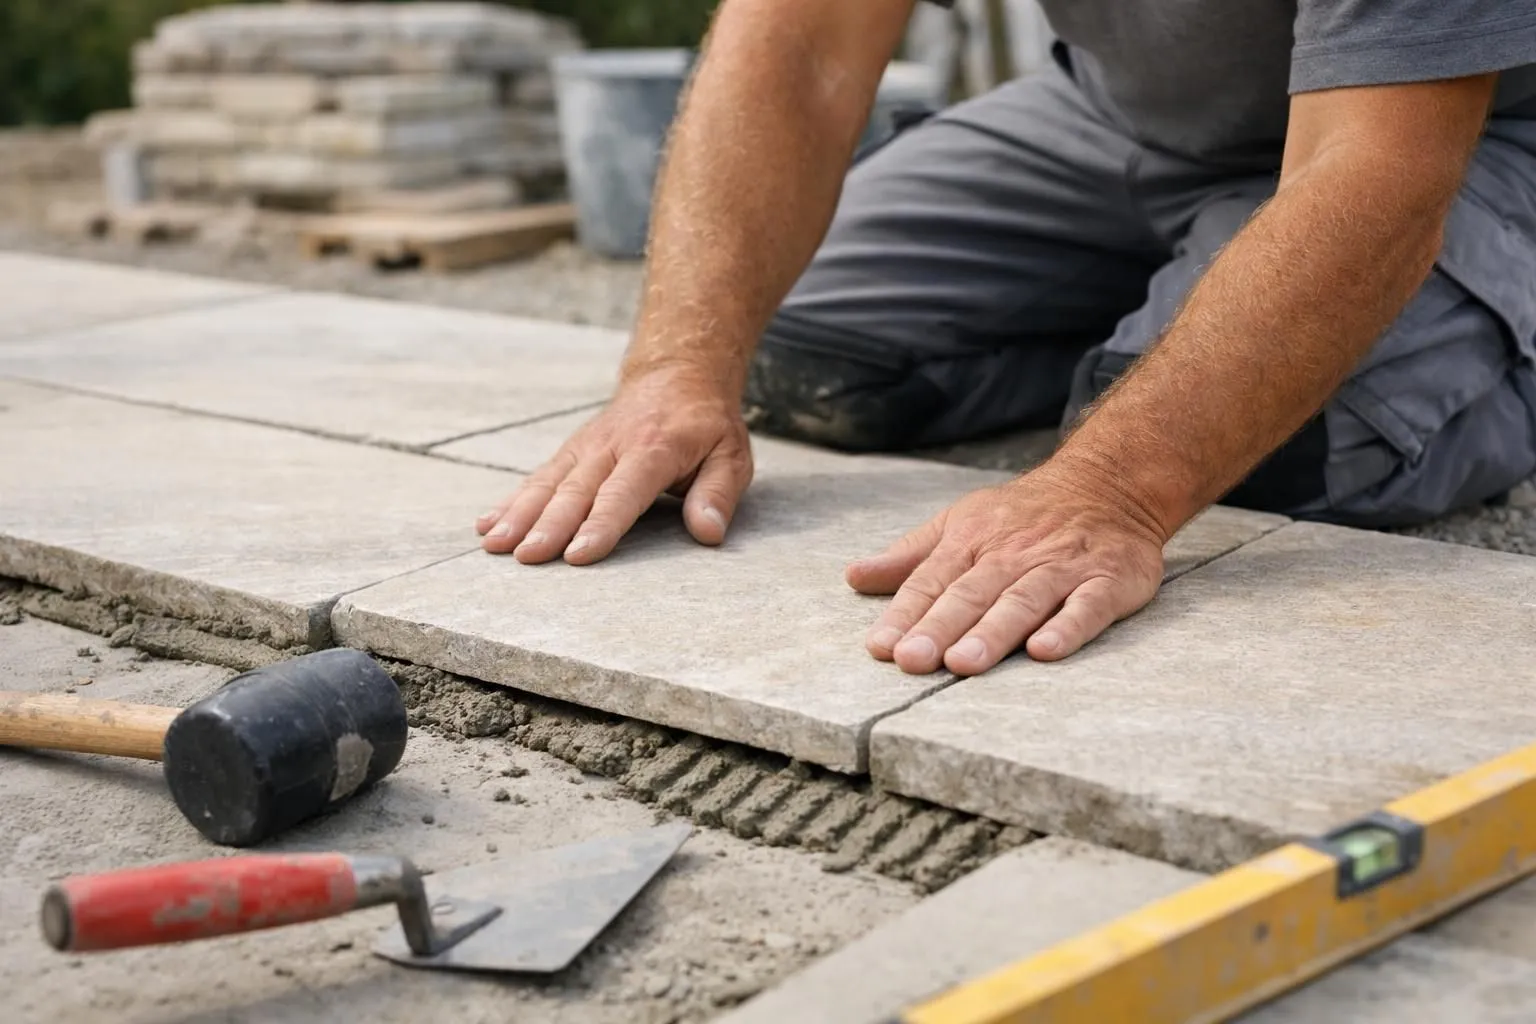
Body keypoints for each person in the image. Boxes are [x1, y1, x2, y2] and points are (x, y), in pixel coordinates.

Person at [477, 0, 1536, 677]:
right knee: (800, 356)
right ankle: (1186, 306)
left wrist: (1112, 488)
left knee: (1271, 449)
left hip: (1450, 136)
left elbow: (1372, 170)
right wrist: (676, 364)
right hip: (1117, 122)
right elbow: (798, 45)